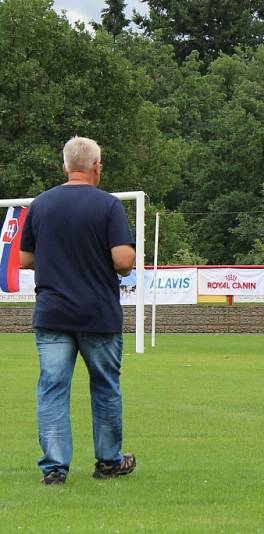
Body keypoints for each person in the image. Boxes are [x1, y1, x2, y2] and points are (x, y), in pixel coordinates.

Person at [19, 137, 137, 485]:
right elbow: (123, 260)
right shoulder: (108, 206)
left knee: (52, 388)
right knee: (104, 387)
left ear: (65, 167)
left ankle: (54, 468)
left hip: (53, 313)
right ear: (96, 167)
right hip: (97, 314)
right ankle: (108, 462)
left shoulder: (40, 205)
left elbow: (25, 259)